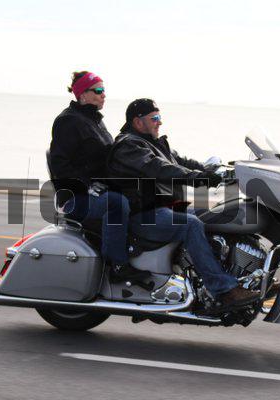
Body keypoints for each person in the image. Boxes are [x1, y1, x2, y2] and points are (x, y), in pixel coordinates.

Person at [107, 98, 260, 308]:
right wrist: (199, 178)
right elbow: (160, 168)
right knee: (191, 225)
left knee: (218, 215)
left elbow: (182, 162)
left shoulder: (153, 142)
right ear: (138, 121)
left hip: (164, 208)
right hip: (144, 214)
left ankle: (242, 275)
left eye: (159, 117)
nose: (160, 122)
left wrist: (220, 171)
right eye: (155, 118)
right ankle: (223, 289)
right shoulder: (129, 146)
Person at [49, 71, 140, 279]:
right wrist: (87, 185)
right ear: (82, 94)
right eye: (98, 90)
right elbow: (59, 165)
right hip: (75, 198)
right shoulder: (68, 121)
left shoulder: (95, 121)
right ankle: (117, 264)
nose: (103, 94)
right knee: (116, 204)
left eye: (103, 90)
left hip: (97, 190)